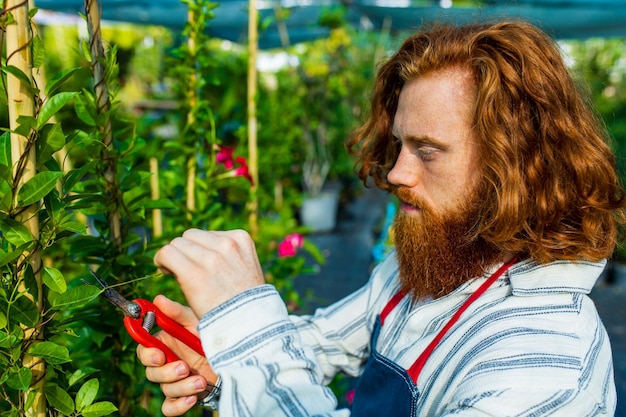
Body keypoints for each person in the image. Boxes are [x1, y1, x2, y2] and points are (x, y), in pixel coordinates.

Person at [137, 20, 625, 416]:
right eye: (400, 143)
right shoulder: (432, 261)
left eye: (427, 151)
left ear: (515, 163)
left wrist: (247, 316)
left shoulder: (544, 370)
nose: (395, 172)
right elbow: (321, 343)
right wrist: (224, 357)